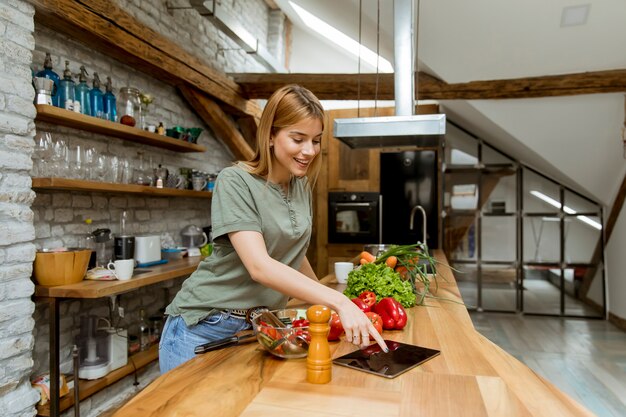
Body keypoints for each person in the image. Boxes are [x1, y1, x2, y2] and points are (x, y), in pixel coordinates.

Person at [159, 84, 388, 373]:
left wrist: (325, 299)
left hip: (259, 327)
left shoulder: (300, 185)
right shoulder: (235, 181)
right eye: (298, 138)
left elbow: (291, 250)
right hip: (203, 327)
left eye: (316, 141)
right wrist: (339, 301)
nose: (309, 151)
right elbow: (260, 266)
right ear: (270, 135)